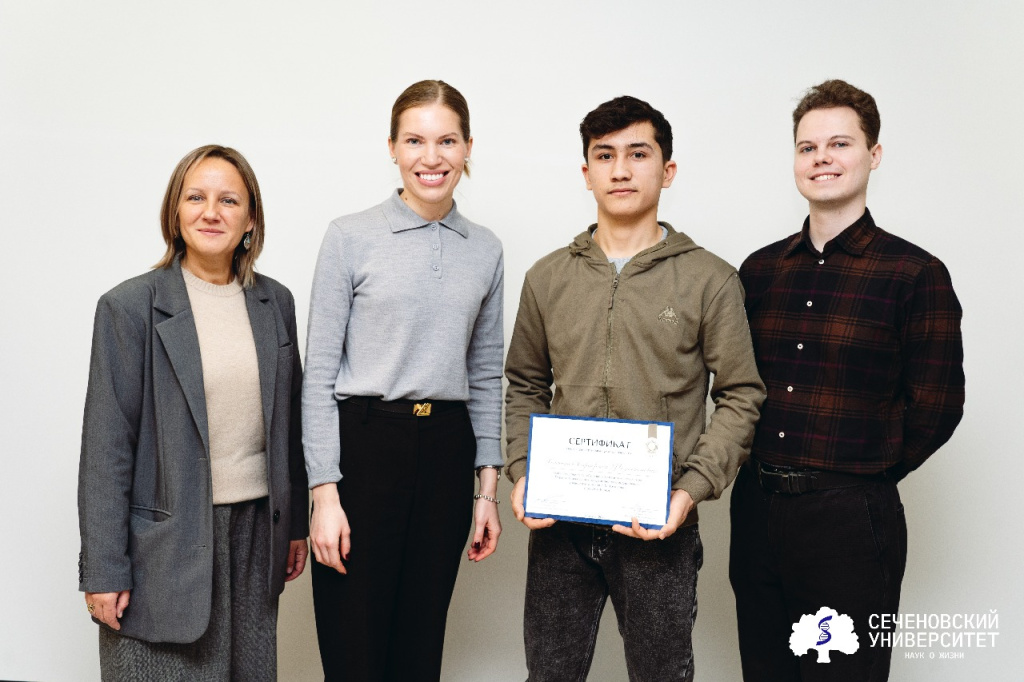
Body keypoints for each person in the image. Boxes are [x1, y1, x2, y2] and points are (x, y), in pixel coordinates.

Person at [504, 95, 765, 682]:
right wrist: (522, 471)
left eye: (638, 154)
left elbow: (741, 395)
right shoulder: (547, 277)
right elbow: (524, 383)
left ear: (667, 170)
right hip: (560, 527)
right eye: (605, 155)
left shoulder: (710, 279)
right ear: (586, 173)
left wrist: (689, 492)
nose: (620, 170)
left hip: (660, 526)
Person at [729, 79, 965, 681]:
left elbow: (937, 405)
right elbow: (733, 387)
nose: (822, 159)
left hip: (849, 520)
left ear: (873, 154)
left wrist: (861, 474)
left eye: (839, 144)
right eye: (807, 148)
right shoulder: (759, 271)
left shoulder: (914, 273)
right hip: (755, 510)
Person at [77, 144, 309, 680]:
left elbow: (289, 424)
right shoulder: (128, 308)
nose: (211, 212)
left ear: (251, 219)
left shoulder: (276, 304)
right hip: (163, 550)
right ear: (175, 212)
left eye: (229, 200)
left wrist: (294, 523)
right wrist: (104, 568)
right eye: (196, 197)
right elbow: (106, 449)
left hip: (255, 540)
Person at [302, 79, 504, 681]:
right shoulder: (349, 236)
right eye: (415, 140)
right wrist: (324, 494)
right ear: (392, 147)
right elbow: (319, 375)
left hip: (446, 451)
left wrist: (486, 489)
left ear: (468, 148)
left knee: (419, 647)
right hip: (364, 448)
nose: (431, 157)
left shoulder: (485, 249)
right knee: (355, 646)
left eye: (447, 141)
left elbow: (485, 372)